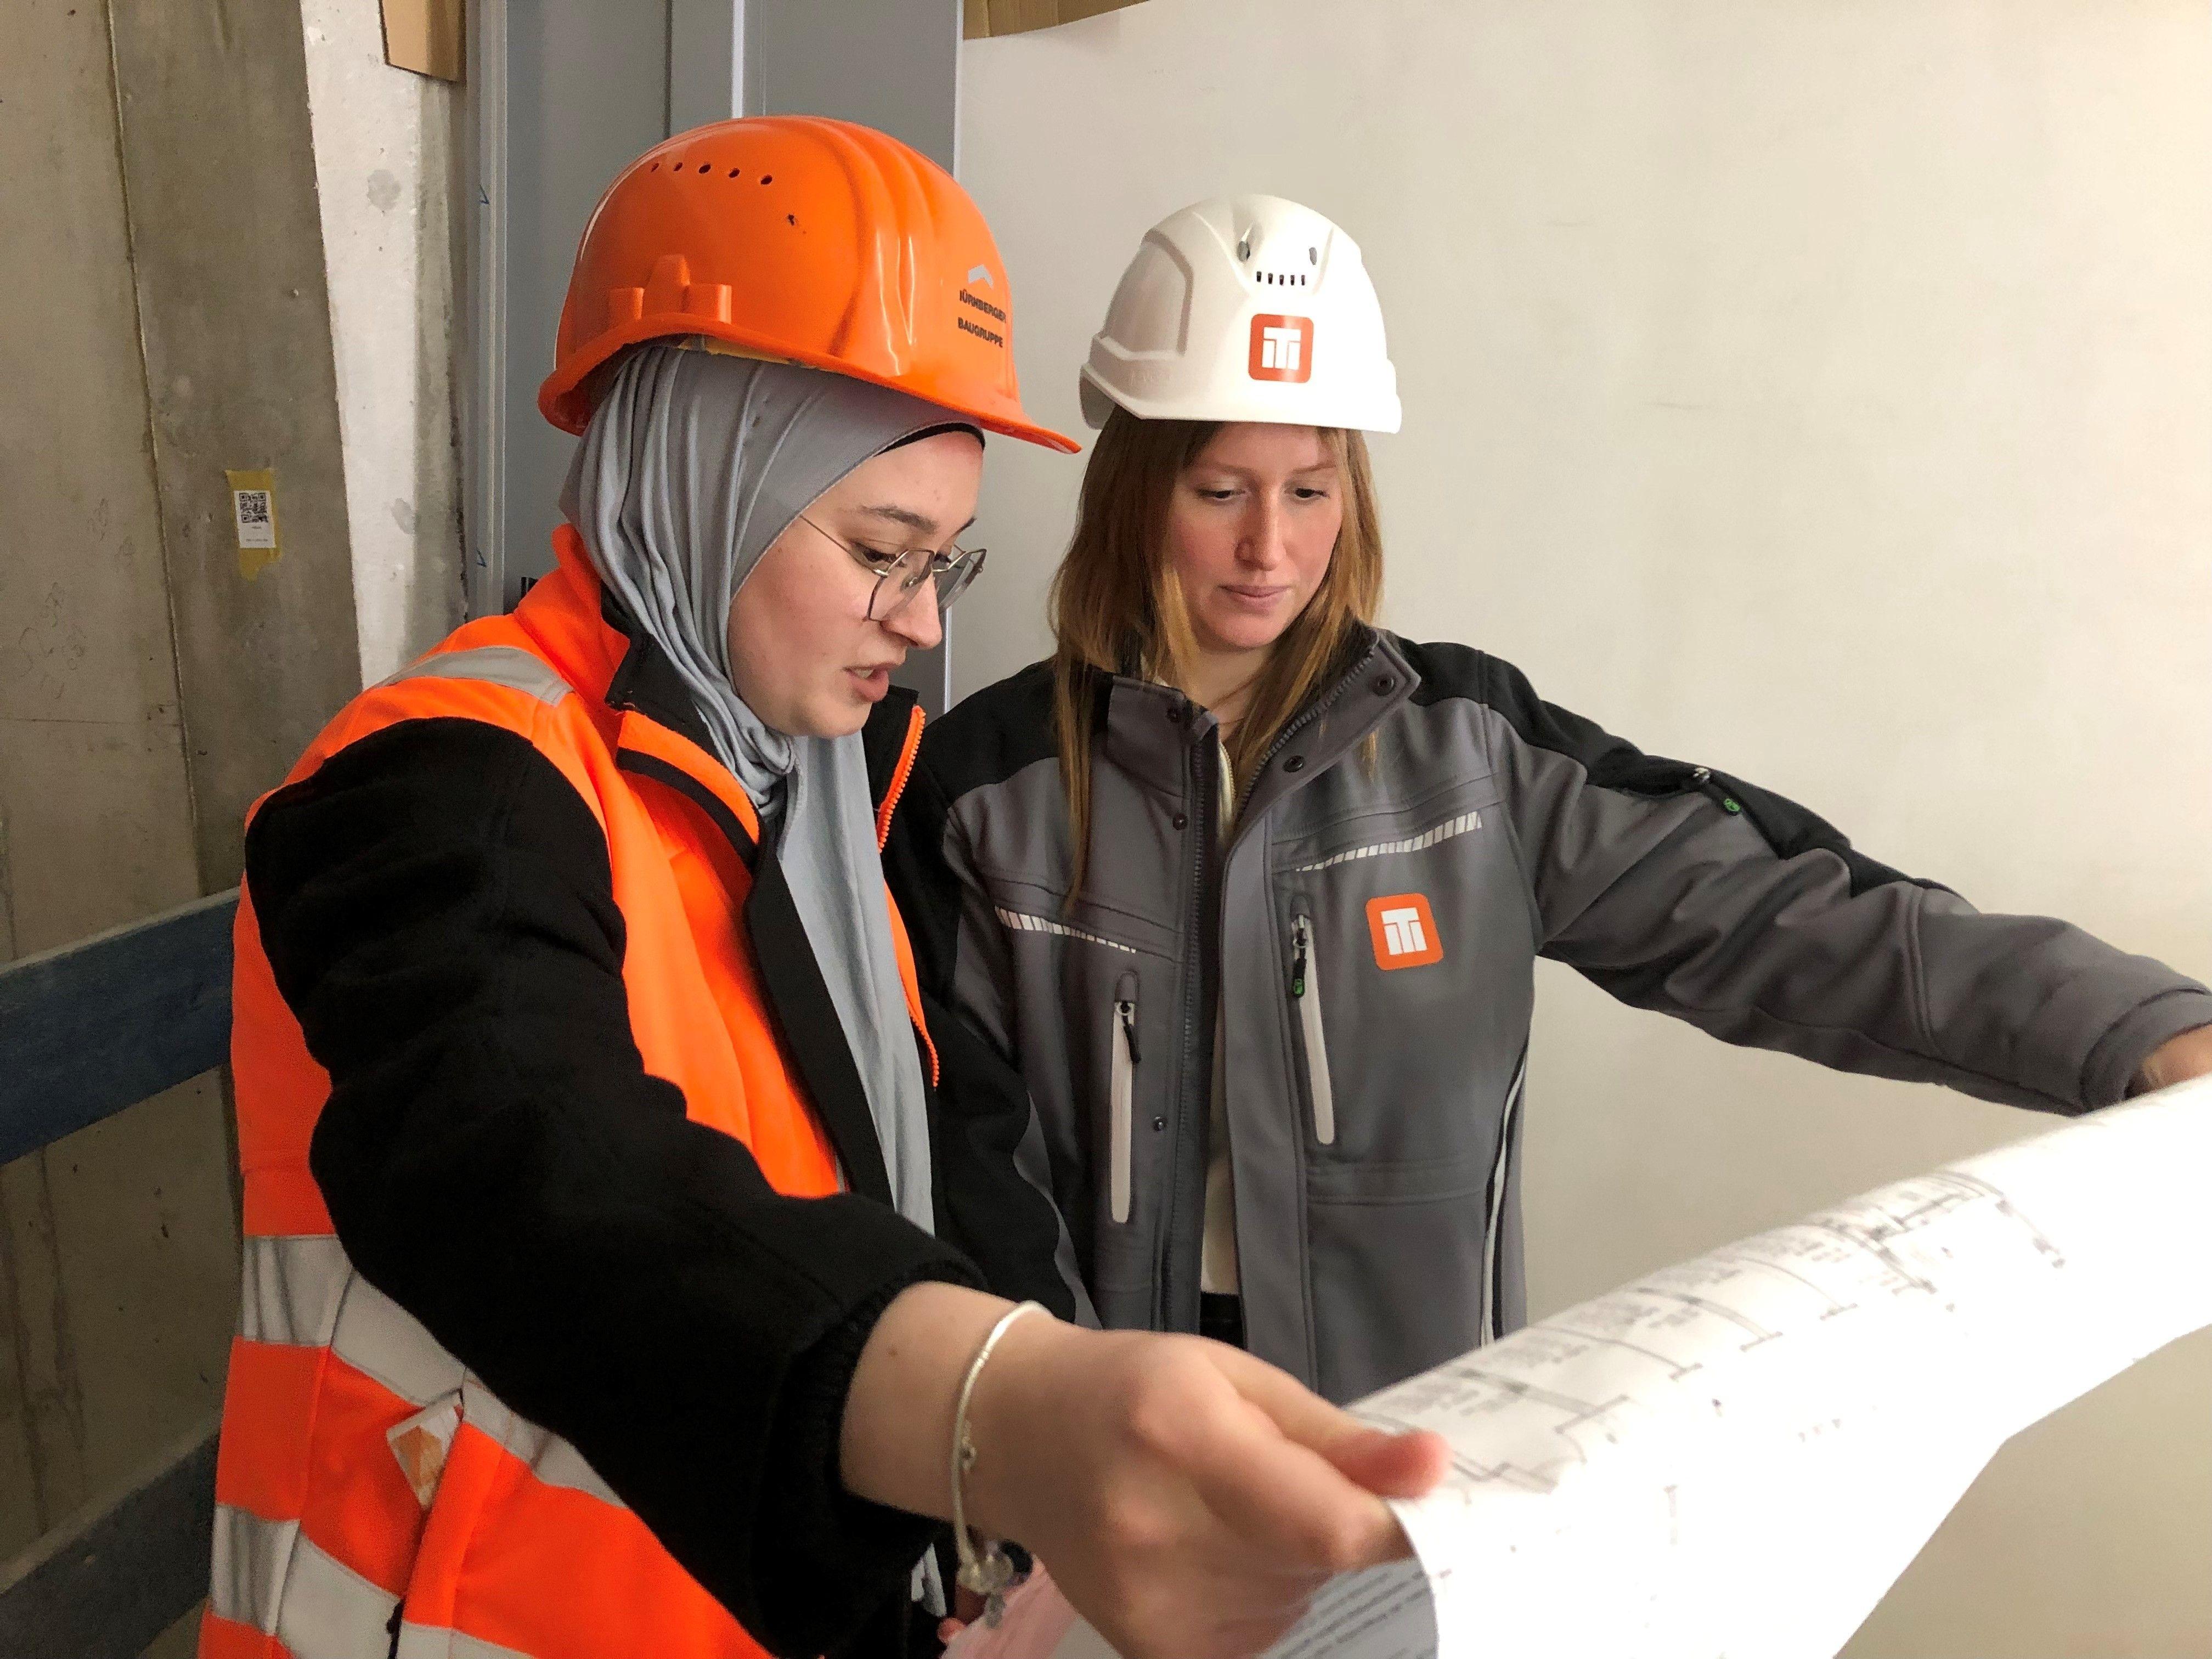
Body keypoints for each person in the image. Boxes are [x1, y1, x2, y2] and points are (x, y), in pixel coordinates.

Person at [199, 133, 1444, 1659]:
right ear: (710, 479)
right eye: (879, 553)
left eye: (946, 562)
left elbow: (947, 1130)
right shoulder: (447, 787)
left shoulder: (816, 794)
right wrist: (992, 1409)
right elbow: (535, 1153)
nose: (920, 625)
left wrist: (1026, 1444)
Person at [888, 194, 2212, 1407]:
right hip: (1100, 1436)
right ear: (1134, 491)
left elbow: (1789, 918)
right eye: (1219, 490)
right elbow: (960, 1169)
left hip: (1411, 1448)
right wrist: (1044, 1447)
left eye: (1310, 490)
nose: (1270, 549)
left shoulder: (1472, 758)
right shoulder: (980, 794)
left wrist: (2137, 1031)